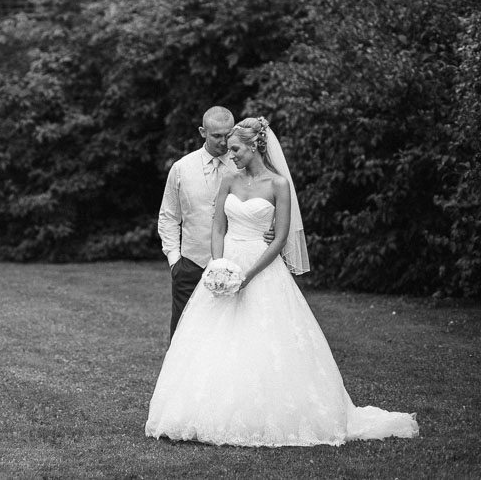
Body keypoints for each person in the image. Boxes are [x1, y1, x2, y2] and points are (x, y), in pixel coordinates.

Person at [144, 117, 419, 447]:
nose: (230, 156)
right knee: (209, 337)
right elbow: (217, 227)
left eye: (235, 149)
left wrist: (247, 276)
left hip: (262, 268)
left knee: (264, 337)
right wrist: (219, 265)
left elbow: (279, 239)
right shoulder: (229, 177)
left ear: (254, 146)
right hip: (226, 260)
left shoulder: (278, 185)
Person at [157, 106, 235, 339]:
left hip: (234, 265)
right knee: (183, 336)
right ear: (203, 132)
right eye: (217, 135)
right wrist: (174, 260)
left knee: (228, 335)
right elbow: (168, 216)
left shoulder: (242, 164)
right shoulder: (181, 168)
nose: (224, 142)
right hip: (190, 265)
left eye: (228, 135)